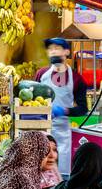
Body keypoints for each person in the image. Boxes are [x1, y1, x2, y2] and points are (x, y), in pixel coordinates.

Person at [35, 38, 88, 173]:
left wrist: (63, 110)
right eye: (50, 49)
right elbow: (32, 100)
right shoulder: (41, 75)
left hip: (63, 132)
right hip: (42, 129)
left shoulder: (76, 79)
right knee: (40, 169)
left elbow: (83, 109)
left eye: (57, 48)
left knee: (62, 173)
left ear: (67, 52)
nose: (53, 52)